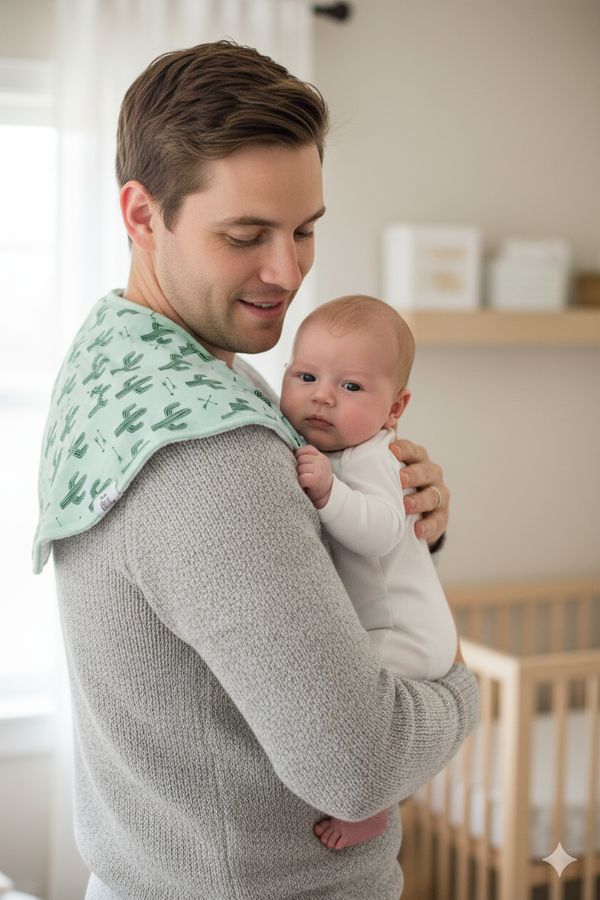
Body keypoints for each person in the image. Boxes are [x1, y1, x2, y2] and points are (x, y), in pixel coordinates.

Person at [34, 42, 478, 900]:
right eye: (246, 236)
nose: (288, 272)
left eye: (306, 229)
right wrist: (464, 688)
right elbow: (361, 765)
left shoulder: (130, 368)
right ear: (141, 214)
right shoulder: (208, 450)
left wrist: (405, 528)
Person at [280, 294, 459, 851]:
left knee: (349, 705)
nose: (322, 396)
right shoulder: (331, 449)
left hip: (406, 633)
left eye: (351, 387)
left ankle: (370, 809)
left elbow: (381, 529)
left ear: (395, 408)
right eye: (305, 376)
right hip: (385, 625)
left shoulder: (372, 458)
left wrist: (330, 494)